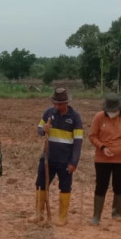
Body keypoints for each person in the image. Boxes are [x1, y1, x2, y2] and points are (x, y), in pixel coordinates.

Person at [32, 87, 83, 226]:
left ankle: (62, 216)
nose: (56, 106)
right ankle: (38, 213)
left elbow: (78, 141)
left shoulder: (75, 117)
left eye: (59, 104)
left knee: (65, 187)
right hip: (48, 157)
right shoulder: (48, 113)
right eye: (55, 103)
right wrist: (43, 130)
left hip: (65, 160)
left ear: (66, 103)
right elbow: (39, 130)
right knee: (40, 184)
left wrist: (74, 162)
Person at [88, 94, 121, 225]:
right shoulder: (99, 117)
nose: (112, 113)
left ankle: (116, 212)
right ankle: (96, 215)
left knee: (119, 184)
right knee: (101, 185)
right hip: (102, 158)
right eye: (109, 111)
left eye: (114, 111)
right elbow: (92, 136)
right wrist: (102, 147)